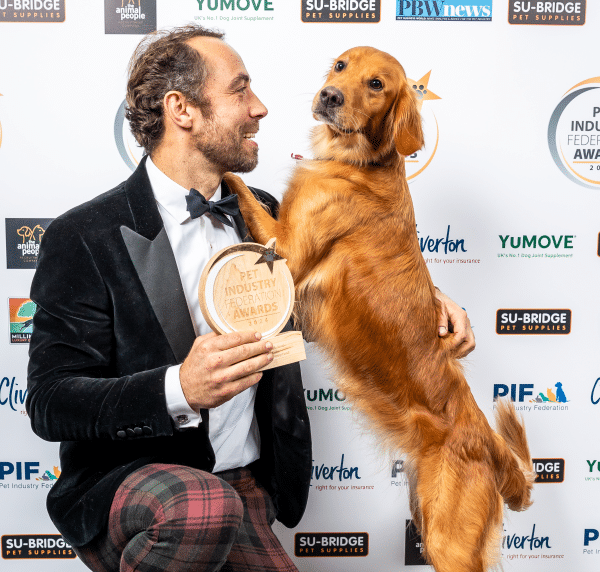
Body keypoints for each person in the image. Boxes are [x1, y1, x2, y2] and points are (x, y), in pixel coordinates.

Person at [26, 25, 475, 572]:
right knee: (201, 508)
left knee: (217, 505)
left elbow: (333, 287)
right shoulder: (87, 234)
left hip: (241, 488)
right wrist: (178, 388)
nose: (260, 107)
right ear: (182, 110)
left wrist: (428, 299)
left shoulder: (260, 211)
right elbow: (50, 402)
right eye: (240, 91)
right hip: (135, 481)